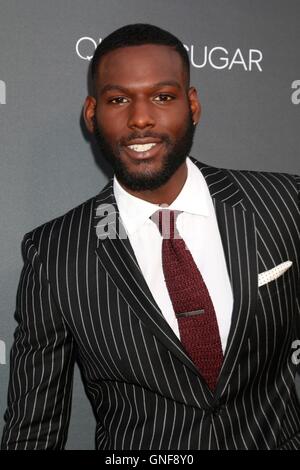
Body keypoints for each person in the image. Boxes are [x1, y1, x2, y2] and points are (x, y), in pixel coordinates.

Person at [1, 23, 300, 451]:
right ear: (91, 114)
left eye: (162, 97)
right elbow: (34, 427)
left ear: (192, 105)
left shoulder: (285, 203)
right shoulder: (55, 253)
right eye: (118, 99)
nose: (140, 118)